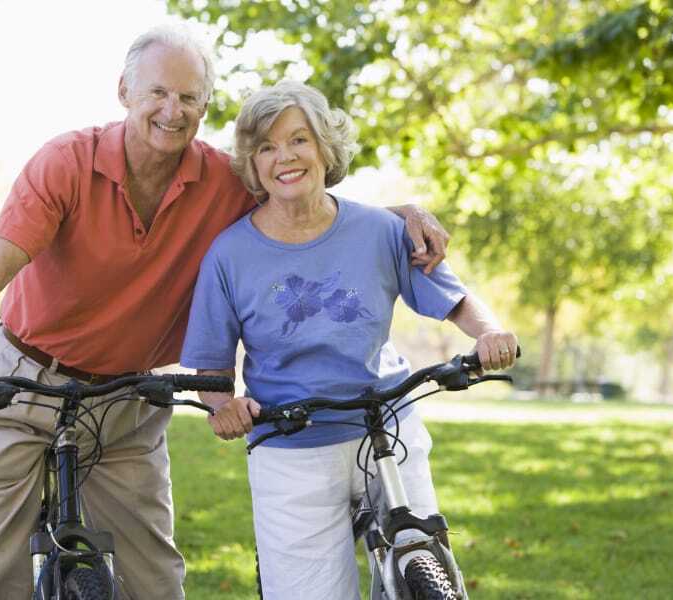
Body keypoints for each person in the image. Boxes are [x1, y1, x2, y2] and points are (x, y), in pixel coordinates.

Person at [0, 26, 450, 600]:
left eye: (188, 98)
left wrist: (398, 215)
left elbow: (306, 203)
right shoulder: (66, 163)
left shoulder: (223, 181)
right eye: (157, 93)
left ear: (205, 106)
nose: (171, 111)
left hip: (129, 399)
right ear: (124, 91)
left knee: (154, 578)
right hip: (25, 382)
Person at [179, 80, 518, 599]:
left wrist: (490, 333)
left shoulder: (380, 230)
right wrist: (223, 405)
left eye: (299, 139)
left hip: (387, 426)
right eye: (266, 146)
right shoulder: (228, 255)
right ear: (252, 163)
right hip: (290, 442)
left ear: (324, 147)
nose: (284, 157)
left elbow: (456, 301)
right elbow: (209, 369)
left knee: (427, 567)